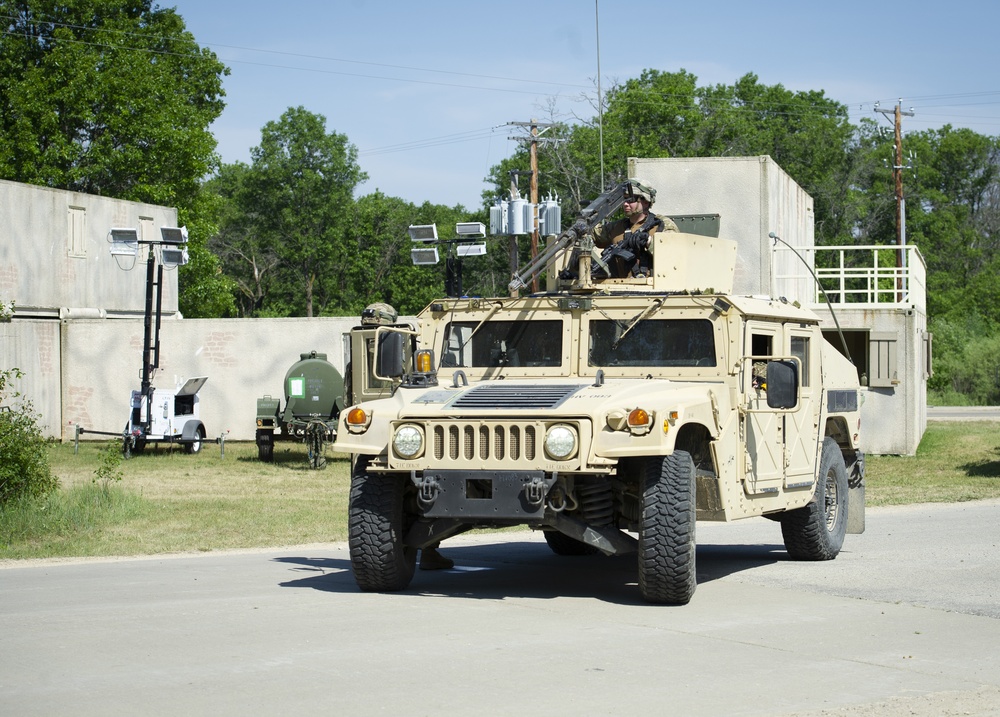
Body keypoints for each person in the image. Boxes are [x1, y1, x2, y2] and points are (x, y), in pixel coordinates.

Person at [592, 178, 678, 279]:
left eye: (630, 199)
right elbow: (591, 235)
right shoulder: (615, 227)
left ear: (645, 201)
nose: (625, 204)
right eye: (623, 199)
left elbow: (674, 254)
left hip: (653, 289)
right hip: (619, 289)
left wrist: (649, 241)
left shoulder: (662, 225)